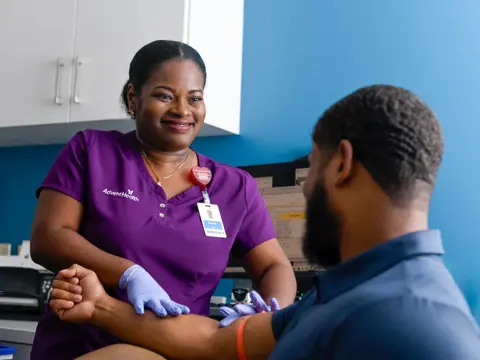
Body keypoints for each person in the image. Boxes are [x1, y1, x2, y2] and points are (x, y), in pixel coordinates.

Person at [50, 84, 480, 359]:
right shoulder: (339, 296)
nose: (306, 188)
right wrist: (100, 306)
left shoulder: (419, 327)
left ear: (341, 165)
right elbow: (212, 343)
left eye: (311, 168)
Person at [30, 40, 296, 359]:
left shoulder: (234, 186)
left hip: (176, 348)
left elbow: (273, 266)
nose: (182, 110)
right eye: (164, 95)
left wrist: (270, 317)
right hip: (82, 346)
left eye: (194, 98)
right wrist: (129, 274)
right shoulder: (91, 151)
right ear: (133, 97)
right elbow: (48, 237)